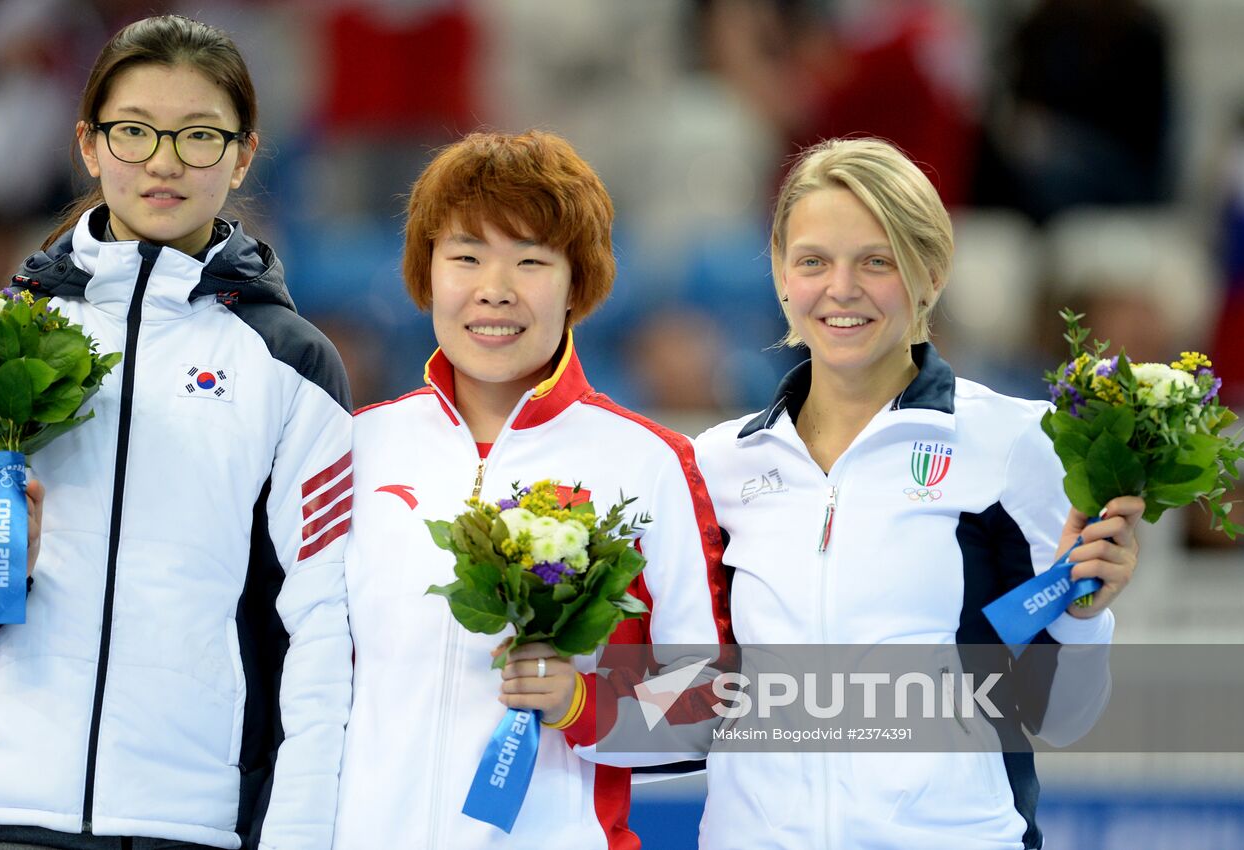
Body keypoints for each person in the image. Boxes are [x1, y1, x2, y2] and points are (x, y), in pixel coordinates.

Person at [0, 15, 353, 850]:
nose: (164, 160)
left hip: (189, 820)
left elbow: (322, 623)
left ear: (243, 154)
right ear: (88, 144)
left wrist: (298, 834)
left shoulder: (291, 366)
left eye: (199, 136)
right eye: (134, 131)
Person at [693, 137, 1144, 850]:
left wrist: (1084, 620)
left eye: (877, 261)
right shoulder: (716, 464)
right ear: (781, 275)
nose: (841, 288)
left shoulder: (1011, 445)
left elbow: (1062, 718)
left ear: (930, 273)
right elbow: (687, 698)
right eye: (813, 261)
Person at [333, 130, 731, 849]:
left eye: (530, 260)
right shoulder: (353, 447)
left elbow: (712, 703)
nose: (495, 288)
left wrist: (583, 702)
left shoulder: (650, 462)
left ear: (577, 282)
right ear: (426, 272)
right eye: (465, 256)